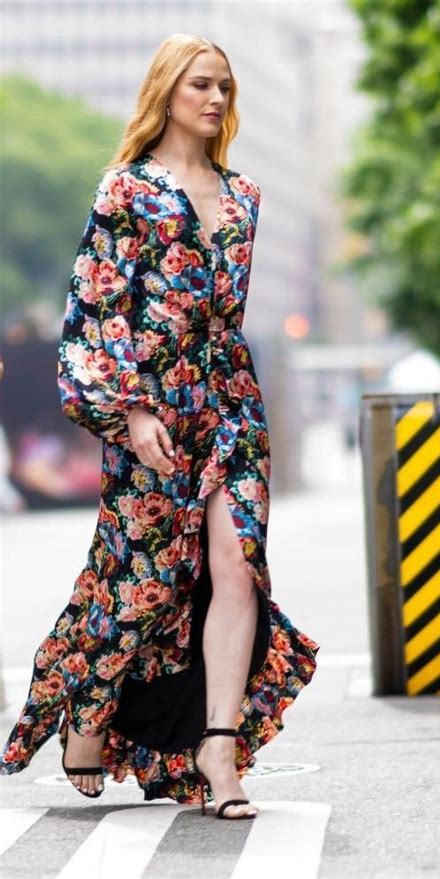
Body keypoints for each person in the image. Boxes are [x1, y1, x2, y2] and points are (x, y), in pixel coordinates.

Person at [0, 33, 320, 820]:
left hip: (232, 404)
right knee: (140, 583)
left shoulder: (244, 195)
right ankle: (92, 706)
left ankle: (218, 746)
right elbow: (94, 315)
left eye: (224, 87)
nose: (214, 99)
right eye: (199, 85)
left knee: (237, 564)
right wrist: (130, 409)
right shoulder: (125, 191)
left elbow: (224, 314)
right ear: (167, 92)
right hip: (153, 409)